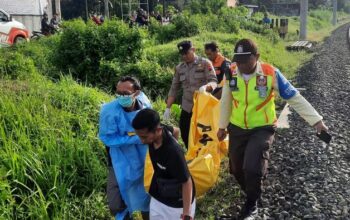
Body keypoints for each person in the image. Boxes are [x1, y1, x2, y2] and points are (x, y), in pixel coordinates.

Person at [217, 39, 328, 219]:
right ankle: (254, 187)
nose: (242, 65)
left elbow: (294, 96)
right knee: (237, 169)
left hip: (262, 127)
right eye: (238, 60)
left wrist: (316, 121)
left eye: (246, 60)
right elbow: (226, 101)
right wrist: (222, 126)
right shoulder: (231, 72)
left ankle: (252, 203)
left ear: (257, 57)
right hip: (237, 127)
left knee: (252, 167)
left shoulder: (270, 73)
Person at [99, 76, 151, 220]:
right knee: (116, 200)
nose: (121, 97)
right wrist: (134, 138)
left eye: (126, 93)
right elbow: (106, 138)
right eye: (118, 93)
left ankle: (148, 215)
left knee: (146, 189)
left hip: (142, 154)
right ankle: (125, 215)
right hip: (119, 157)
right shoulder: (109, 111)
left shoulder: (144, 104)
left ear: (136, 93)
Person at [132, 109, 196, 220]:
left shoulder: (173, 152)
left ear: (157, 130)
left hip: (177, 201)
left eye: (144, 137)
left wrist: (186, 214)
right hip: (160, 192)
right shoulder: (161, 130)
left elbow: (187, 182)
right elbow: (176, 130)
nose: (142, 141)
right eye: (139, 136)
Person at [164, 40, 217, 149]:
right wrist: (168, 108)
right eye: (182, 54)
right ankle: (191, 156)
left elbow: (214, 82)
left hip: (202, 107)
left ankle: (204, 157)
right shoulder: (179, 68)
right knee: (185, 133)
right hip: (187, 106)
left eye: (187, 53)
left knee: (203, 135)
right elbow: (174, 88)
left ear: (193, 50)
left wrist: (206, 87)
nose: (185, 56)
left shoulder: (205, 63)